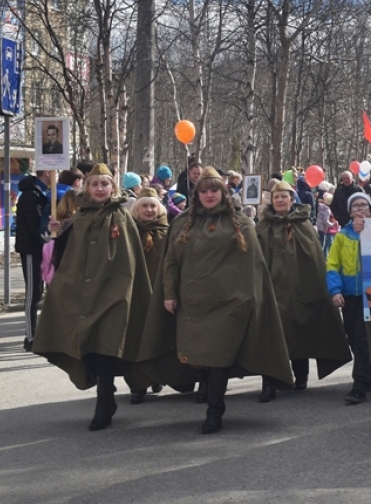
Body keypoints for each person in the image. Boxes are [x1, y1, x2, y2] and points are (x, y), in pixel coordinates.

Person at [143, 167, 294, 434]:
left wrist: (247, 298)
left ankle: (215, 410)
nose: (209, 195)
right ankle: (208, 394)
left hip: (229, 304)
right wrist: (169, 293)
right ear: (197, 194)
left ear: (223, 192)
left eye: (214, 190)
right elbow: (171, 261)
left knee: (218, 359)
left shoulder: (240, 222)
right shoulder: (182, 222)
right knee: (195, 357)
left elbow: (252, 266)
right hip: (192, 303)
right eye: (204, 191)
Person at [32, 164, 154, 431]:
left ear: (113, 188)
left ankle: (104, 402)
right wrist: (59, 230)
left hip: (113, 293)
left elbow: (130, 259)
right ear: (86, 188)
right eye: (94, 184)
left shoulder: (121, 216)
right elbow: (66, 255)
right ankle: (106, 393)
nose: (100, 189)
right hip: (83, 292)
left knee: (107, 346)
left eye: (104, 184)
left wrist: (125, 289)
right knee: (87, 346)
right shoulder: (81, 216)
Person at [255, 180, 351, 402]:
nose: (280, 200)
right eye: (276, 196)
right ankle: (268, 384)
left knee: (300, 330)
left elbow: (314, 260)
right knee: (270, 337)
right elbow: (256, 260)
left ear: (291, 199)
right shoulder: (263, 227)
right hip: (271, 291)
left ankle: (301, 376)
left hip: (300, 289)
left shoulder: (303, 225)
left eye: (284, 196)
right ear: (272, 200)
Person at [327, 192, 371, 404]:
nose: (360, 209)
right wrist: (335, 291)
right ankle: (369, 373)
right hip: (349, 296)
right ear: (349, 211)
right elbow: (332, 265)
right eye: (355, 206)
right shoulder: (341, 236)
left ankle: (360, 386)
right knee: (353, 339)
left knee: (363, 340)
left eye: (364, 205)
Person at [127, 189, 170, 404]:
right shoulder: (128, 232)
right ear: (137, 209)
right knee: (136, 338)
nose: (149, 210)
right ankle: (138, 384)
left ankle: (157, 377)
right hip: (136, 295)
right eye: (144, 206)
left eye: (153, 206)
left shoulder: (168, 232)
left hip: (160, 293)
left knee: (159, 336)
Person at [15, 170, 51, 351]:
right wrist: (45, 241)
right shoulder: (31, 195)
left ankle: (41, 334)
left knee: (40, 290)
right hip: (31, 249)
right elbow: (33, 225)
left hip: (40, 248)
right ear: (46, 173)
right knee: (33, 292)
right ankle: (30, 336)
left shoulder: (41, 193)